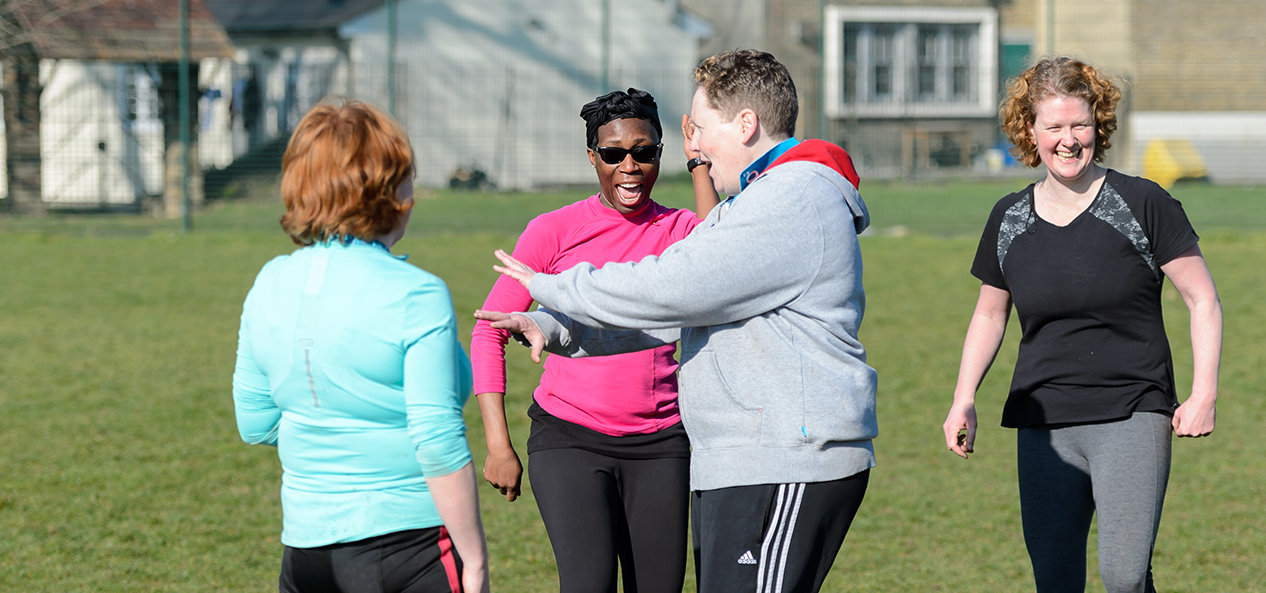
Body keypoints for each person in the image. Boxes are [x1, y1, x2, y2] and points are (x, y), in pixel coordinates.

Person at [476, 50, 874, 593]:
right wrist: (557, 329)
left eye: (701, 131)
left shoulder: (788, 200)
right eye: (613, 152)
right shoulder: (761, 199)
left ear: (745, 124)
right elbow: (675, 314)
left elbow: (671, 290)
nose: (699, 147)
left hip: (778, 455)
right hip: (736, 455)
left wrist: (551, 288)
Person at [941, 57, 1222, 592]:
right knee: (1055, 581)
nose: (1068, 141)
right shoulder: (1009, 217)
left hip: (1132, 414)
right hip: (1043, 421)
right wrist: (963, 398)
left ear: (1098, 125)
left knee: (1123, 578)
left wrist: (1203, 391)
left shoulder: (1143, 203)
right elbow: (989, 312)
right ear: (1030, 131)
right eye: (1054, 127)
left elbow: (1202, 298)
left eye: (1080, 125)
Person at [232, 99, 490, 593]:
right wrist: (474, 559)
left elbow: (255, 423)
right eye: (407, 177)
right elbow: (435, 436)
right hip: (405, 547)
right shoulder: (415, 292)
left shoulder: (268, 282)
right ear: (386, 189)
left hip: (305, 551)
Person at [471, 88, 718, 593]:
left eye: (645, 152)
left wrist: (699, 164)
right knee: (590, 583)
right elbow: (488, 330)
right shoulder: (553, 231)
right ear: (592, 157)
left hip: (663, 442)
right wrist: (498, 444)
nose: (630, 166)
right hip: (569, 440)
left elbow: (719, 256)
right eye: (613, 154)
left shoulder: (680, 230)